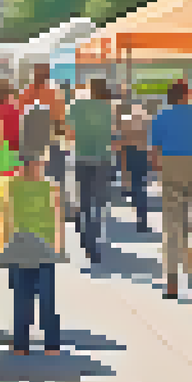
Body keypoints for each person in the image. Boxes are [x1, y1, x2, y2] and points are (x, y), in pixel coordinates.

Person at [0, 146, 67, 356]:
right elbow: (58, 219)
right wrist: (59, 247)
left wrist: (3, 246)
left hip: (23, 247)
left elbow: (5, 218)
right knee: (43, 299)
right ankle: (49, 345)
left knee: (24, 297)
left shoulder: (15, 186)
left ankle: (23, 345)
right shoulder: (48, 187)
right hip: (39, 248)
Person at [150, 81, 192, 300]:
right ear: (185, 95)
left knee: (172, 224)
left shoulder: (160, 116)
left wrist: (161, 171)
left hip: (170, 165)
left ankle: (172, 283)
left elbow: (154, 151)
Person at [67, 78, 114, 264]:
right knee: (98, 203)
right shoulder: (107, 108)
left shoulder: (76, 106)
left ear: (89, 88)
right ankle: (93, 246)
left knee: (85, 201)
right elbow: (110, 134)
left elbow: (69, 133)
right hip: (102, 159)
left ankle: (86, 239)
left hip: (82, 158)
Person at [113, 97, 153, 232]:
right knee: (141, 187)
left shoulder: (125, 121)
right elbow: (151, 142)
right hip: (142, 154)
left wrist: (123, 171)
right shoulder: (147, 121)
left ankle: (139, 215)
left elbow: (122, 145)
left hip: (130, 153)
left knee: (135, 188)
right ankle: (142, 219)